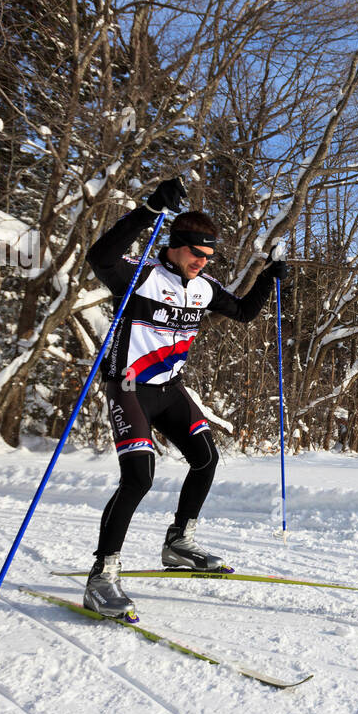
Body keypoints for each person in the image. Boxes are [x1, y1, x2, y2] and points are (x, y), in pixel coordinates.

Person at [82, 176, 288, 620]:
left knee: (205, 457)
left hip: (170, 392)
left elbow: (245, 313)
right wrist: (149, 210)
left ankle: (178, 541)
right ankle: (102, 575)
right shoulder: (139, 277)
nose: (202, 262)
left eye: (209, 256)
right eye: (197, 253)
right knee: (139, 477)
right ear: (175, 244)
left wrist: (270, 278)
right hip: (130, 389)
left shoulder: (203, 288)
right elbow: (99, 256)